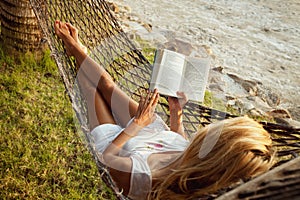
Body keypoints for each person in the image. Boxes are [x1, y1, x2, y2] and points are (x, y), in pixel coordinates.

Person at [54, 21, 276, 200]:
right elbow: (181, 143)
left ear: (217, 155)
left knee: (90, 89)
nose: (211, 129)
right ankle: (78, 50)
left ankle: (76, 52)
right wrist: (176, 114)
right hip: (155, 134)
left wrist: (136, 125)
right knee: (109, 86)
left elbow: (106, 160)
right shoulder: (199, 162)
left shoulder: (146, 177)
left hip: (117, 142)